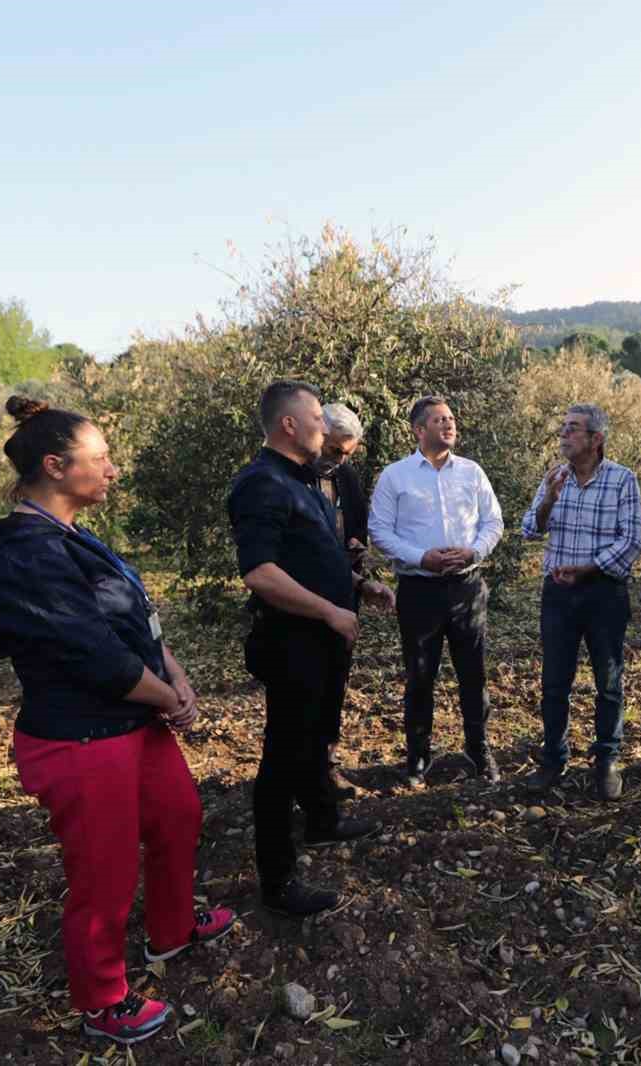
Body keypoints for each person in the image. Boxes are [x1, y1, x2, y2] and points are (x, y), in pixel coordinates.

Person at [0, 396, 232, 1047]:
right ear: (55, 466)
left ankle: (170, 932)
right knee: (104, 873)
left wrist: (174, 674)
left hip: (134, 722)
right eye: (101, 460)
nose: (113, 471)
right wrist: (165, 696)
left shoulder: (74, 536)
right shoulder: (21, 554)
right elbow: (93, 654)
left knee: (178, 817)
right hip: (82, 737)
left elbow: (133, 619)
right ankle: (102, 999)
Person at [228, 381, 394, 918]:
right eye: (318, 416)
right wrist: (328, 610)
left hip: (324, 638)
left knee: (318, 734)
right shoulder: (261, 484)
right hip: (292, 640)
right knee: (283, 758)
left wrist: (358, 587)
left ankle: (322, 821)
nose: (326, 425)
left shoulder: (306, 482)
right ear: (289, 425)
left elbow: (314, 559)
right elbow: (261, 572)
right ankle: (278, 881)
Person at [367, 395, 504, 786]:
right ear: (418, 430)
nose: (449, 425)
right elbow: (380, 530)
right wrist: (420, 557)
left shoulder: (472, 472)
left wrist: (474, 551)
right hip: (419, 591)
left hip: (467, 589)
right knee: (420, 676)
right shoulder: (396, 476)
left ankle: (479, 751)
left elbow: (493, 522)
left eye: (451, 418)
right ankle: (418, 758)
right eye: (439, 420)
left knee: (473, 676)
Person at [520, 404, 641, 801]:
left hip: (604, 593)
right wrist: (548, 501)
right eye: (563, 428)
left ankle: (606, 759)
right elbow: (529, 529)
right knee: (554, 681)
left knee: (608, 681)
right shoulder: (555, 478)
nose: (564, 435)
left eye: (573, 429)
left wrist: (589, 568)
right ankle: (553, 759)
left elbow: (633, 540)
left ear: (596, 439)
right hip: (558, 595)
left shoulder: (623, 480)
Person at [315, 402, 370, 799]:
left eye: (347, 454)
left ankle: (328, 763)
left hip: (344, 594)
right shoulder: (289, 479)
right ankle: (305, 770)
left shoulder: (346, 476)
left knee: (336, 679)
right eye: (334, 451)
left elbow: (358, 527)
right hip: (302, 600)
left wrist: (355, 547)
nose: (339, 460)